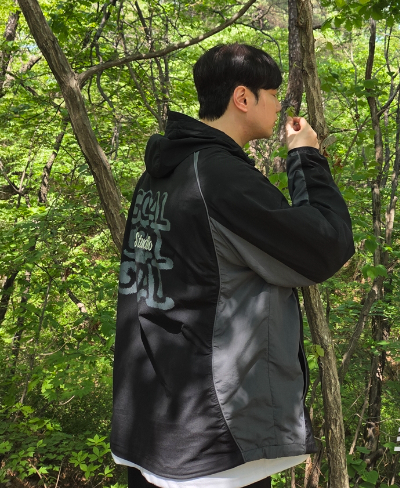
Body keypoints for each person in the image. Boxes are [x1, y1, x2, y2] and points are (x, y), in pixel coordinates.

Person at [110, 43, 354, 488]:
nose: (280, 104)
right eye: (274, 93)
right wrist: (306, 158)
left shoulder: (162, 172)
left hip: (153, 424)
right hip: (212, 442)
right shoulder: (218, 176)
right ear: (244, 98)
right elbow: (325, 248)